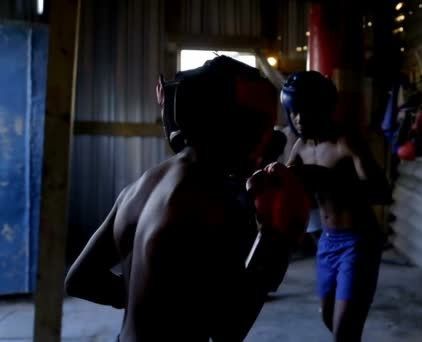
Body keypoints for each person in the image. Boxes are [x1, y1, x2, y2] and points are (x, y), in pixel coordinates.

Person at [65, 56, 310, 342]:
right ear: (234, 127)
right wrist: (275, 241)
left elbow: (80, 279)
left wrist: (144, 299)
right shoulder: (209, 202)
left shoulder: (140, 186)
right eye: (261, 128)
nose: (268, 142)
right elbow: (226, 329)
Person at [282, 71, 391, 341]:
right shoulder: (300, 147)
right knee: (329, 317)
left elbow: (382, 192)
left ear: (323, 109)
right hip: (328, 241)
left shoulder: (346, 141)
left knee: (345, 330)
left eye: (306, 111)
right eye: (294, 111)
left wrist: (331, 180)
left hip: (359, 241)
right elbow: (286, 189)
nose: (299, 118)